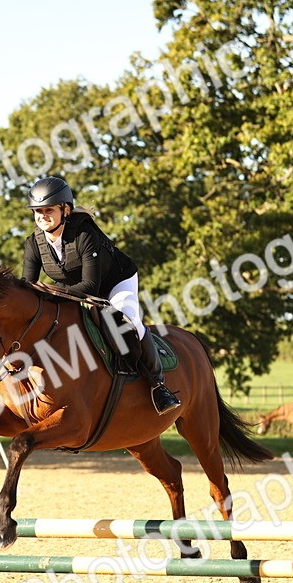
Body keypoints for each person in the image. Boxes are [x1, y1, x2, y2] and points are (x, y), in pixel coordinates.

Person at [21, 176, 181, 415]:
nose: (42, 215)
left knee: (128, 321)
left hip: (115, 282)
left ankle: (158, 386)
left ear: (65, 210)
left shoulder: (85, 234)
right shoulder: (34, 244)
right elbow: (28, 288)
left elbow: (91, 288)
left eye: (49, 210)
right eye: (38, 211)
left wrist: (52, 293)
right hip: (73, 287)